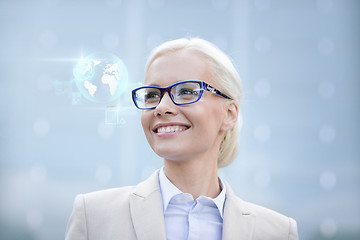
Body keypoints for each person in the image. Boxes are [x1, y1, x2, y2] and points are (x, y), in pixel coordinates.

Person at [65, 38, 299, 240]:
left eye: (186, 91)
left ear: (229, 114)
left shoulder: (277, 232)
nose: (162, 107)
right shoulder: (93, 217)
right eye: (152, 95)